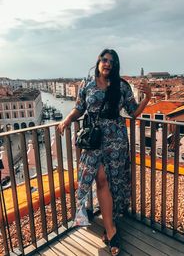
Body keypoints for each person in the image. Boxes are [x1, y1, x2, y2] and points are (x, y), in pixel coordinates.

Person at [57, 48, 151, 256]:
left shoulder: (122, 86)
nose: (108, 63)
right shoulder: (87, 84)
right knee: (99, 178)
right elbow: (79, 108)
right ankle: (111, 229)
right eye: (105, 59)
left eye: (112, 61)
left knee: (111, 181)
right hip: (94, 139)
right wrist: (66, 119)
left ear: (115, 66)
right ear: (99, 61)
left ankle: (111, 228)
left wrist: (148, 97)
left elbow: (133, 112)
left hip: (116, 139)